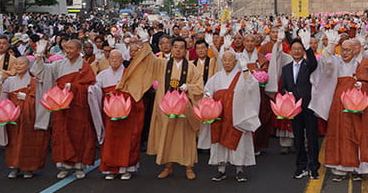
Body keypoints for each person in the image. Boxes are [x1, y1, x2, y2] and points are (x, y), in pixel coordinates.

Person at [317, 33, 368, 181]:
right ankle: (342, 168)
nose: (345, 53)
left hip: (356, 104)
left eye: (349, 50)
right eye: (343, 49)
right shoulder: (335, 62)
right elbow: (325, 64)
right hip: (339, 105)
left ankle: (358, 167)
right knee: (340, 134)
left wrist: (362, 85)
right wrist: (330, 47)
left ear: (355, 51)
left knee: (357, 134)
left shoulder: (361, 65)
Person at [32, 38, 97, 180]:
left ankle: (79, 166)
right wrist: (39, 56)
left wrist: (73, 87)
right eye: (66, 48)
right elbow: (41, 72)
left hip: (78, 107)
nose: (68, 51)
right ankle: (63, 166)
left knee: (79, 135)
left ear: (79, 51)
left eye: (71, 48)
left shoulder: (85, 67)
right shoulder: (59, 64)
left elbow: (90, 87)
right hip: (61, 106)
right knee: (61, 135)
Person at [143, 36, 205, 180]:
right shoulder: (162, 64)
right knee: (167, 137)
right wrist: (145, 43)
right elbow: (148, 60)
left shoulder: (191, 67)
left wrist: (188, 87)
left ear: (185, 50)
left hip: (184, 109)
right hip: (166, 109)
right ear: (171, 48)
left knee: (186, 138)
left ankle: (189, 166)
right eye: (175, 47)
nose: (178, 50)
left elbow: (199, 86)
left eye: (181, 47)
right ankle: (168, 166)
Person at [205, 51, 261, 182]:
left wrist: (245, 69)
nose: (227, 63)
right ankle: (221, 169)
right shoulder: (216, 77)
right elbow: (207, 90)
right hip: (220, 115)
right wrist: (207, 97)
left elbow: (252, 87)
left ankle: (239, 169)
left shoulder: (242, 75)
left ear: (235, 61)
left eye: (230, 60)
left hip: (236, 115)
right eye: (224, 60)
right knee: (219, 141)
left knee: (238, 141)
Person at [90, 48, 144, 180]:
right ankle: (110, 168)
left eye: (117, 58)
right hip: (109, 110)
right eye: (112, 58)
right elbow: (96, 89)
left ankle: (126, 168)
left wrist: (122, 96)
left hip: (126, 110)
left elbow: (136, 91)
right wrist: (93, 90)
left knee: (126, 140)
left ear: (122, 60)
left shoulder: (128, 74)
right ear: (108, 60)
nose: (114, 60)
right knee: (110, 139)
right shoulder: (102, 75)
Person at [0, 56, 50, 179]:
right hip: (14, 117)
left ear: (28, 66)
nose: (18, 66)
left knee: (28, 141)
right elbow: (3, 98)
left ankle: (28, 168)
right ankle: (14, 167)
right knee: (14, 142)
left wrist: (27, 98)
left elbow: (38, 100)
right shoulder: (9, 81)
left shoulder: (34, 81)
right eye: (16, 64)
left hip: (28, 116)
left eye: (21, 64)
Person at [280, 29, 321, 179]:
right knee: (298, 139)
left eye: (299, 49)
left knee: (311, 138)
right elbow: (283, 86)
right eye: (294, 49)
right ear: (290, 51)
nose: (296, 51)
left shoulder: (308, 65)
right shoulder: (286, 69)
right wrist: (286, 94)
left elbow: (314, 63)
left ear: (302, 50)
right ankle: (300, 166)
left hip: (309, 106)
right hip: (294, 109)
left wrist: (308, 47)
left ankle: (314, 167)